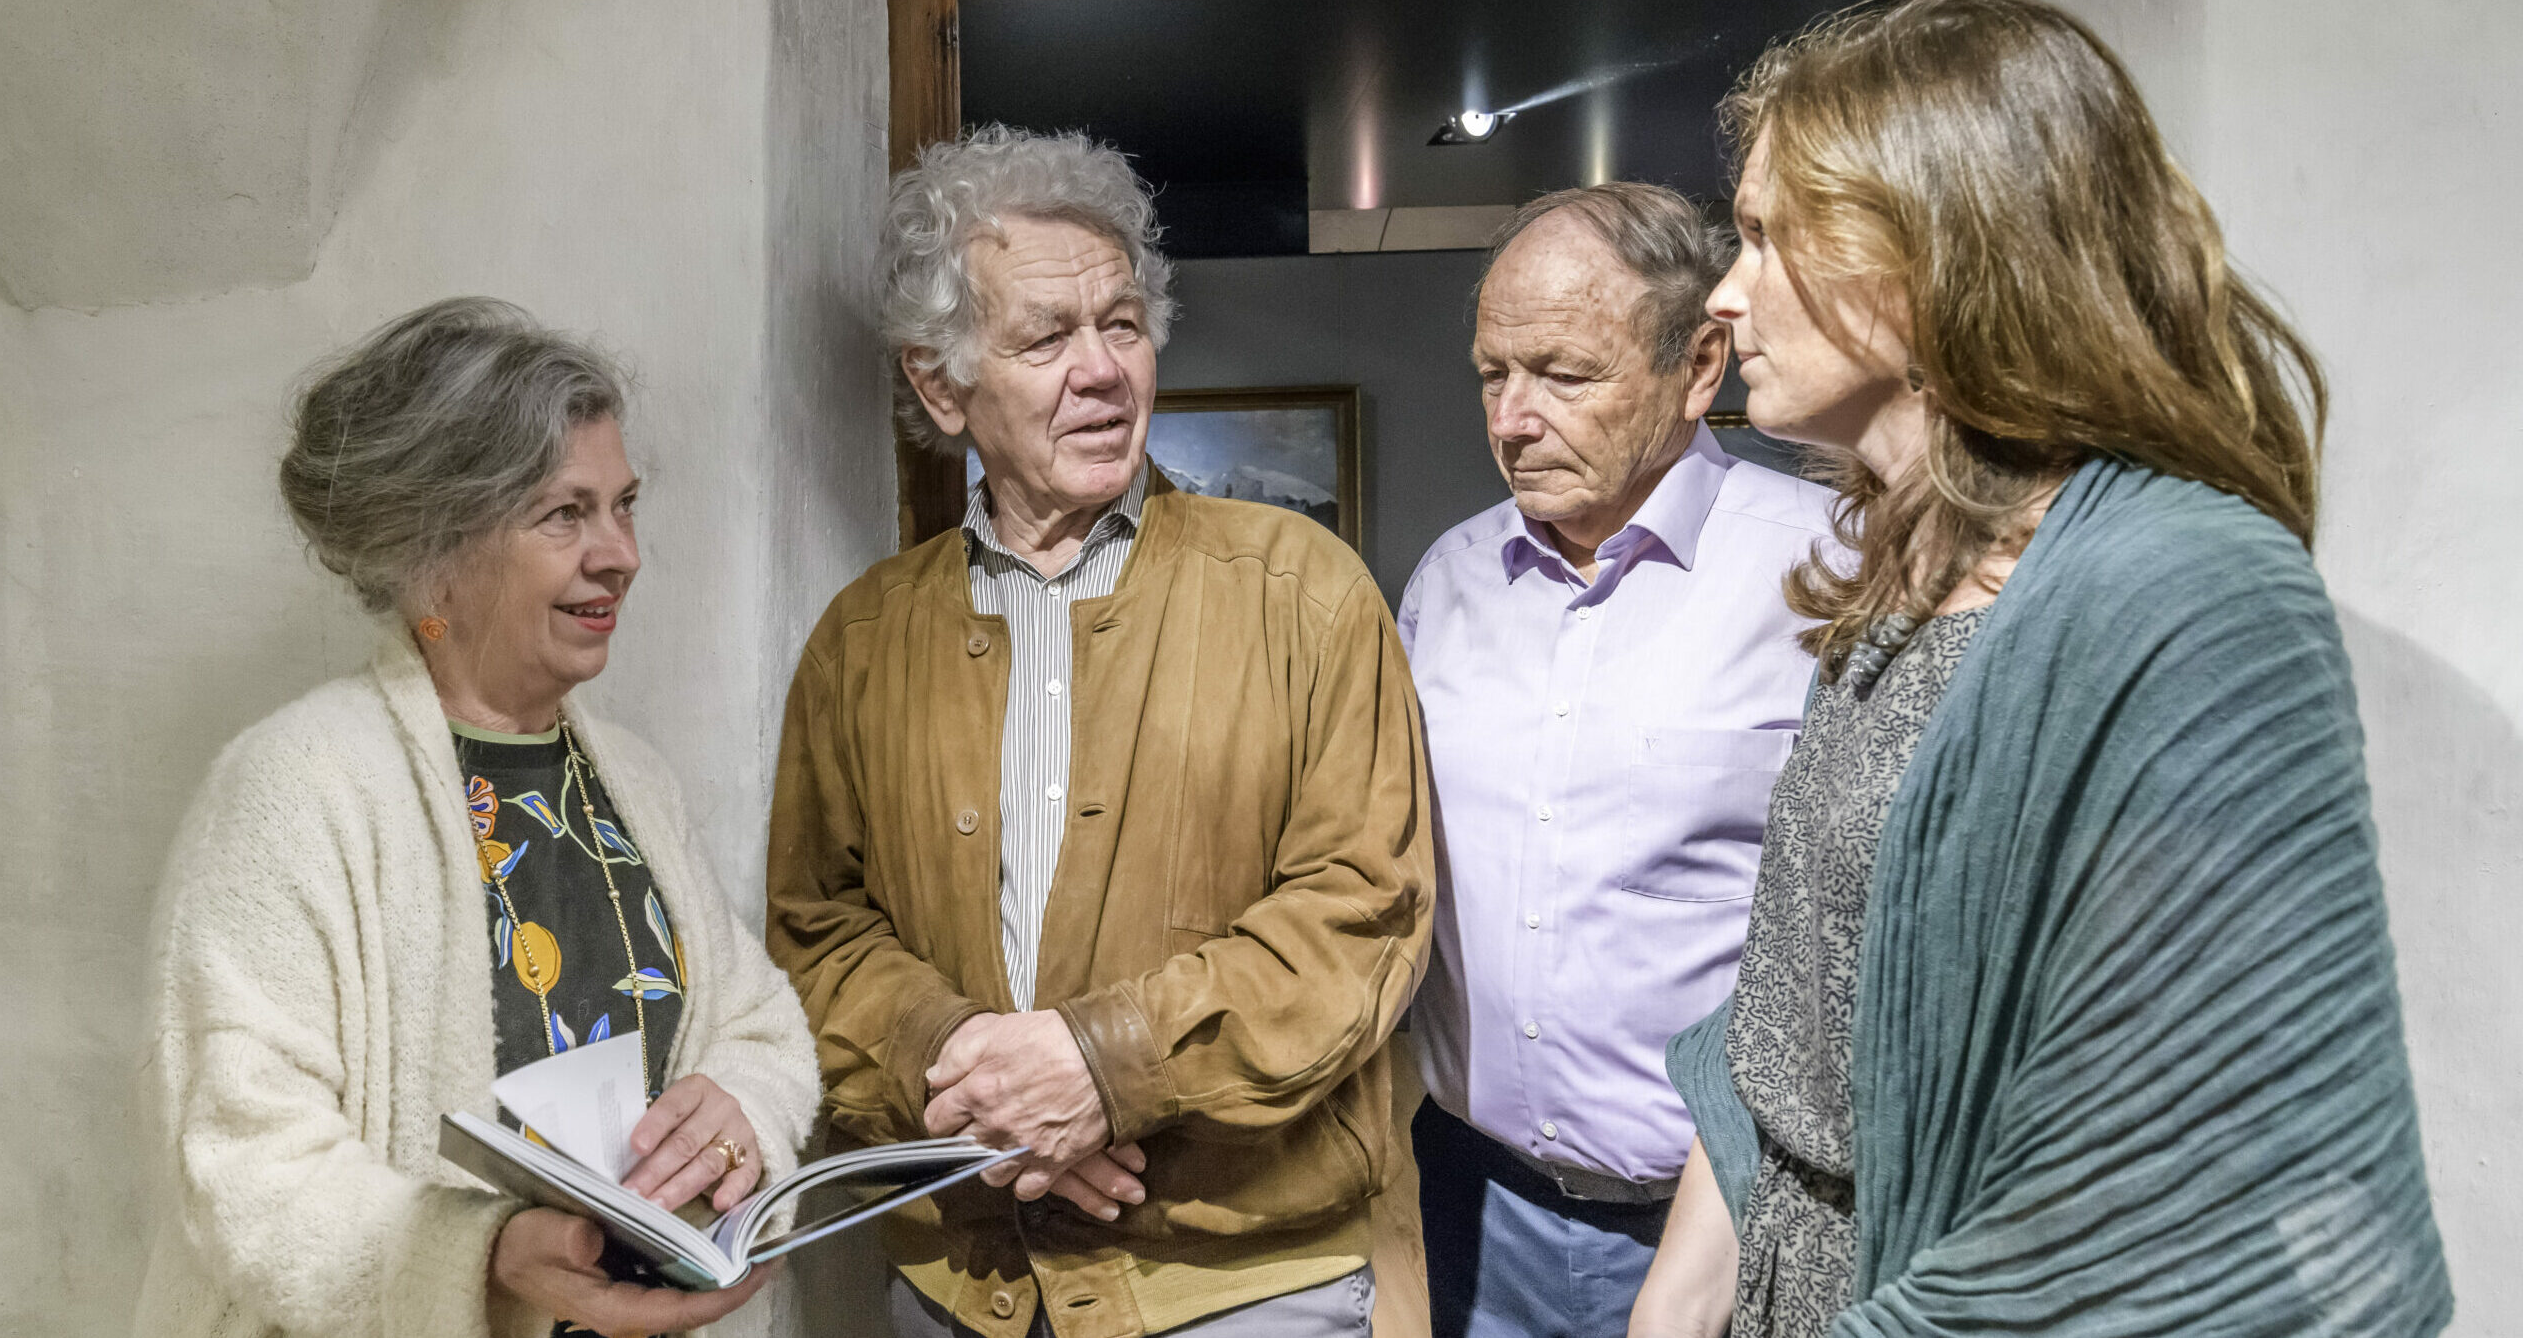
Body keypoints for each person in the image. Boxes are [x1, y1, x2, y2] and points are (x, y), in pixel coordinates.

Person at [1628, 0, 2451, 1338]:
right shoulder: (1898, 573)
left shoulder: (2191, 598)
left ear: (1932, 249)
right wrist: (1673, 1308)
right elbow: (1784, 1035)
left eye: (1771, 236)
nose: (1727, 292)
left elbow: (2176, 1184)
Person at [765, 127, 1433, 1338]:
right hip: (963, 1282)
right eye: (1043, 338)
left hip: (1243, 1290)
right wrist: (968, 1069)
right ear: (939, 384)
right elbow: (816, 931)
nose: (1101, 371)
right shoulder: (861, 636)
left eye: (1120, 324)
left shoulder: (1306, 589)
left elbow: (1361, 911)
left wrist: (1103, 1065)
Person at [135, 298, 821, 1338]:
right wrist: (487, 1256)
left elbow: (758, 1023)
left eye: (624, 504)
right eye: (565, 514)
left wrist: (740, 1107)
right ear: (438, 547)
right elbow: (241, 1160)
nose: (621, 552)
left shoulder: (633, 778)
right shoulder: (292, 788)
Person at [1395, 183, 1833, 1338]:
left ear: (1698, 367)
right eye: (1494, 373)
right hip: (1471, 1204)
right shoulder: (1446, 580)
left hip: (1729, 1222)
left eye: (1563, 374)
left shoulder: (1824, 574)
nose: (1512, 418)